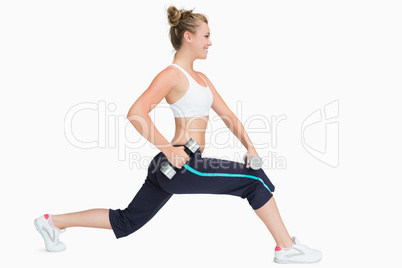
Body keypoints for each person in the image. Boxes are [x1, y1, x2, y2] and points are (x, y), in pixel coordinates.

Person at [34, 6, 322, 264]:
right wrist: (169, 150)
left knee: (127, 220)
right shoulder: (171, 75)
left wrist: (251, 147)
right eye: (206, 36)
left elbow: (228, 117)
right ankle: (286, 248)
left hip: (175, 164)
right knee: (254, 181)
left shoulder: (202, 79)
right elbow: (136, 112)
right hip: (181, 162)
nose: (210, 42)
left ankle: (52, 222)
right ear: (188, 37)